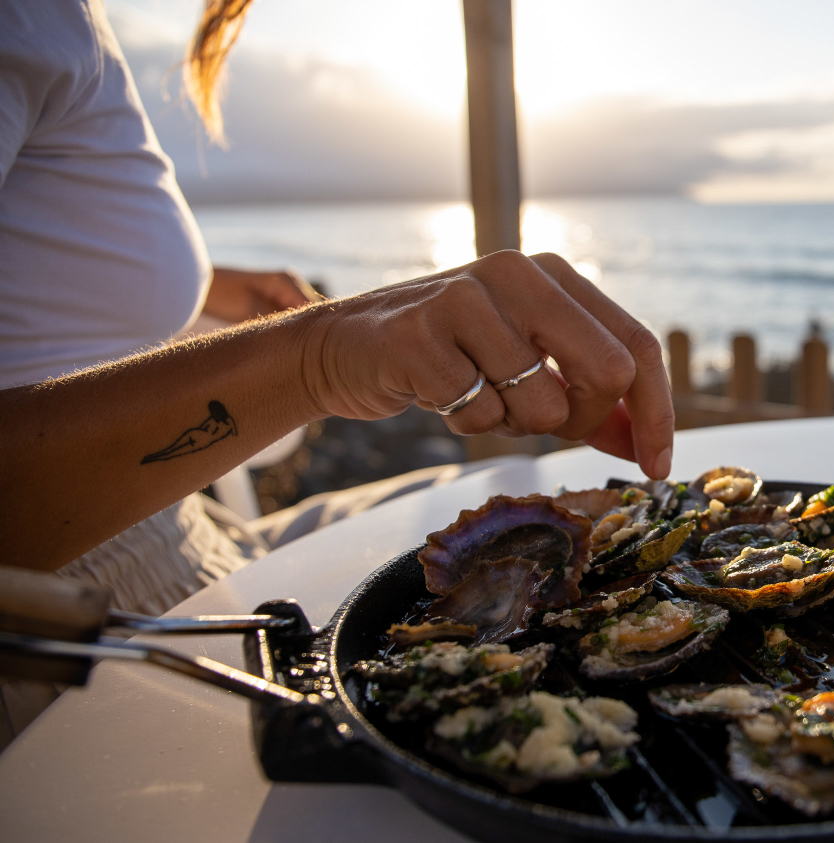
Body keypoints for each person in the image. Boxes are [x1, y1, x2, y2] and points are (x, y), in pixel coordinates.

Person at [0, 0, 674, 744]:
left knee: (513, 496)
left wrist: (208, 288)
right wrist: (313, 355)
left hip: (192, 524)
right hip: (73, 630)